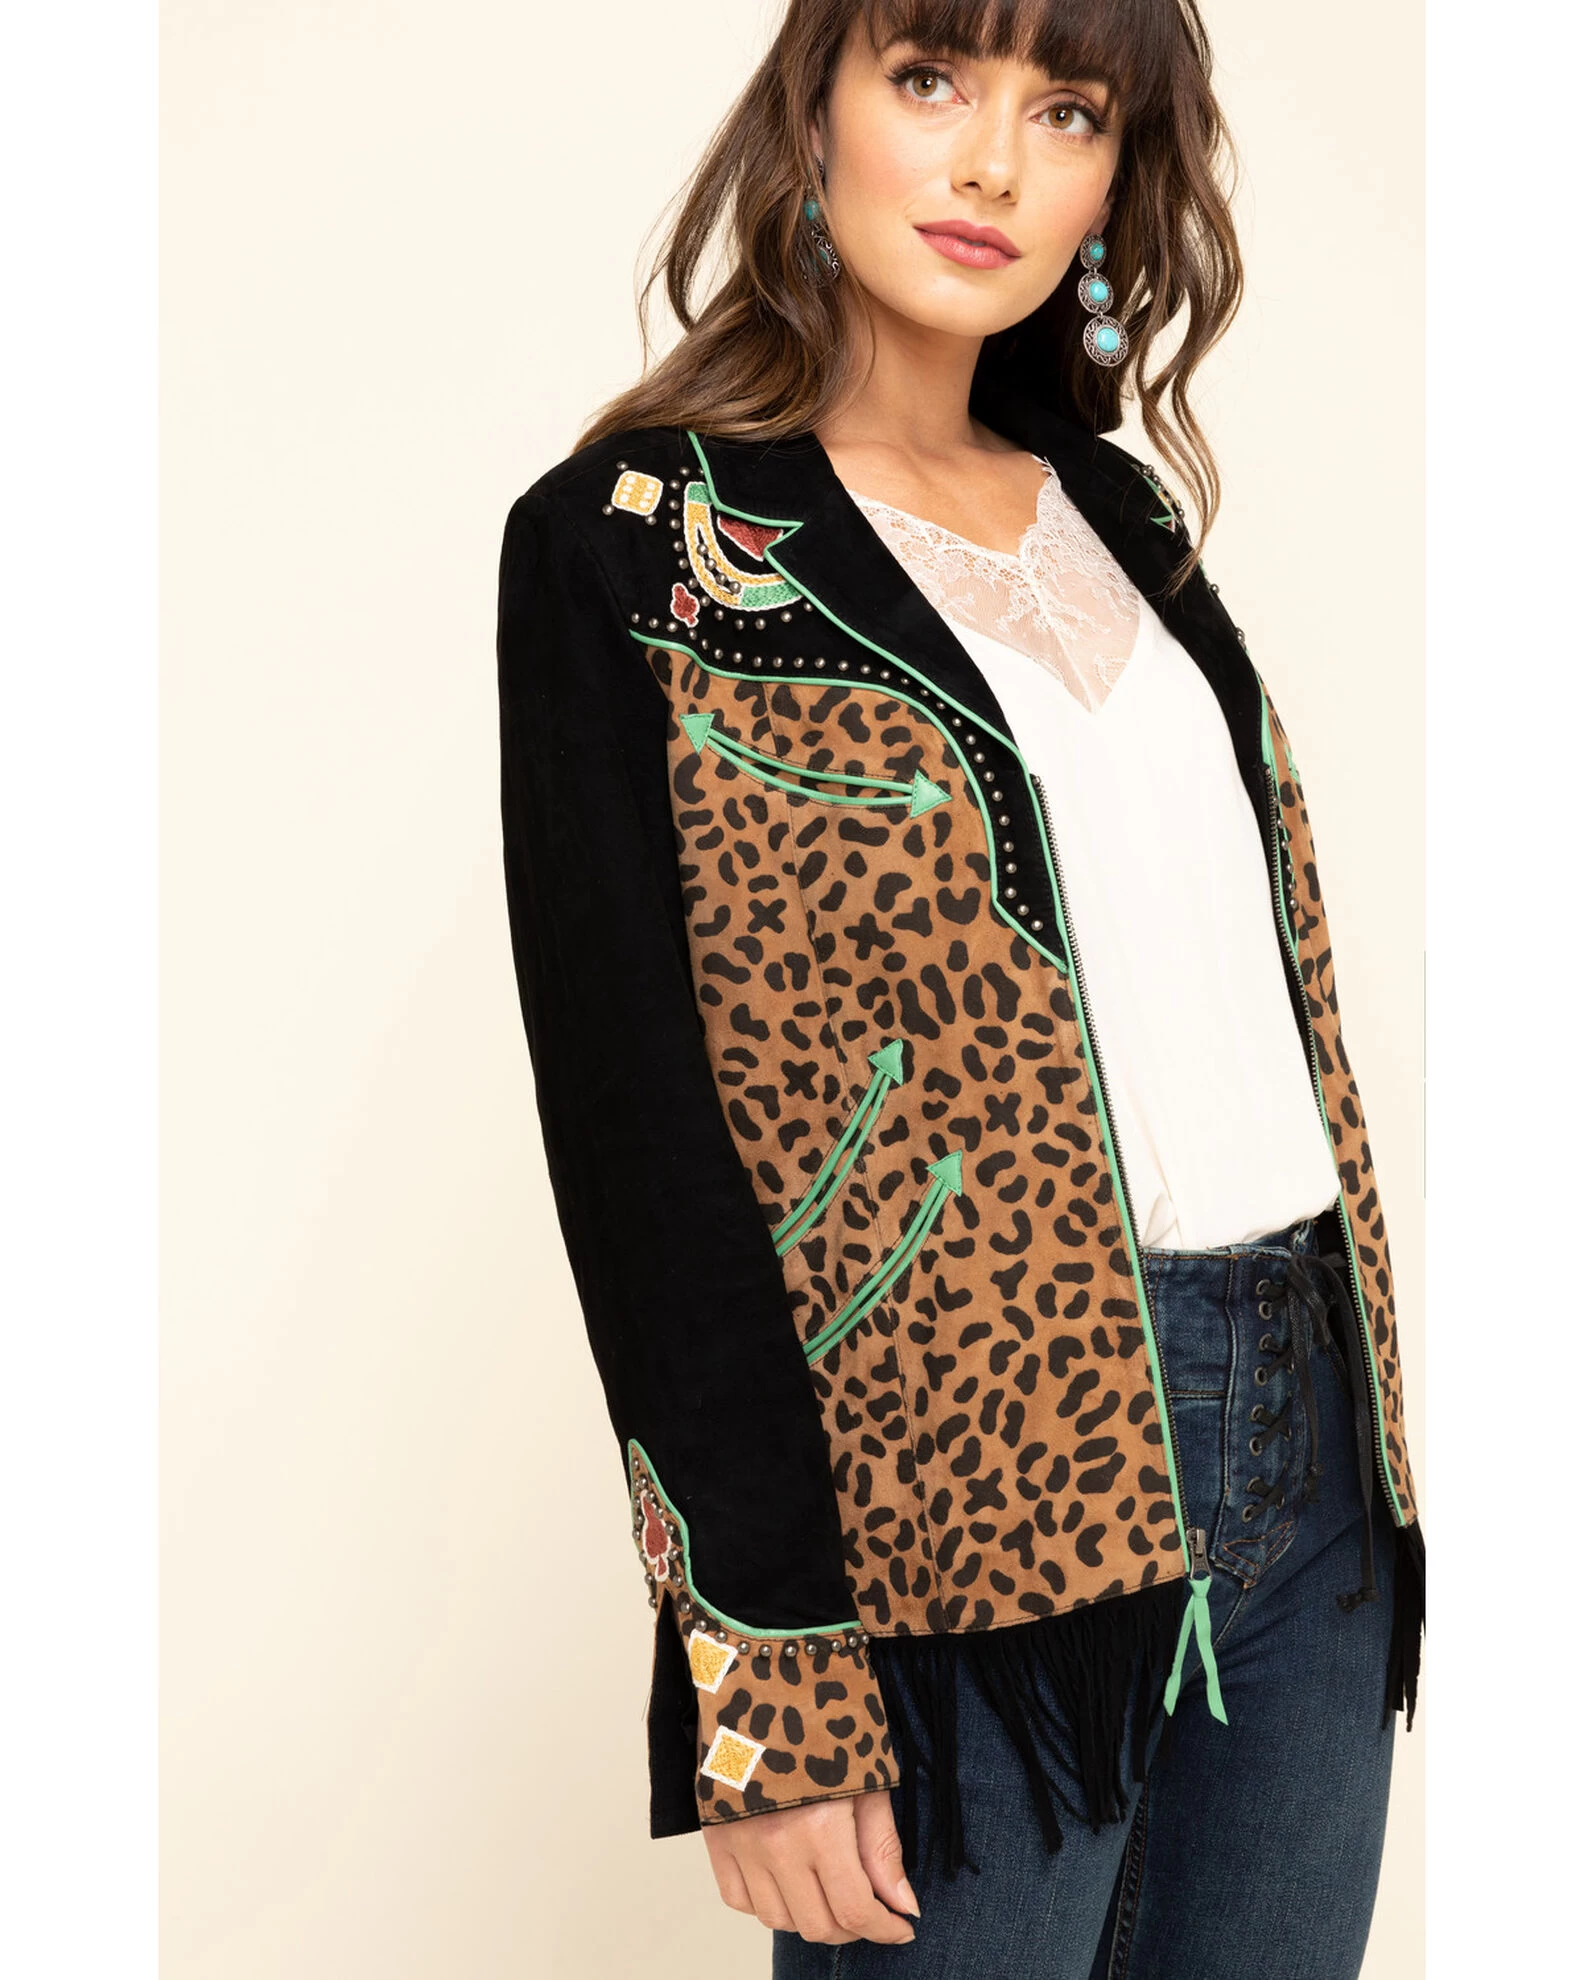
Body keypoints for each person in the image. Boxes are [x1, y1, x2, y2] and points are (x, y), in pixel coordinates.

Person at [494, 3, 1425, 1974]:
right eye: (932, 79)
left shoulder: (1123, 516)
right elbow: (640, 1151)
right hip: (961, 1490)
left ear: (1113, 181)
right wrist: (763, 1680)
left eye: (1065, 110)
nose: (994, 160)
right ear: (815, 109)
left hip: (1311, 1461)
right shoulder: (641, 546)